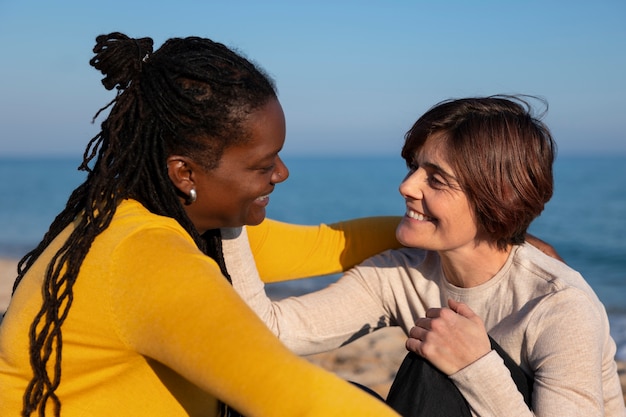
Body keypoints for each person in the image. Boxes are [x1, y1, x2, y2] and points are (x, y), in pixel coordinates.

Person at [0, 32, 406, 417]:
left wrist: (445, 231)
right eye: (263, 165)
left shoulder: (146, 218)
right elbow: (292, 397)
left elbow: (324, 245)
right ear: (185, 173)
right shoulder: (149, 259)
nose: (281, 173)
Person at [221, 96, 626, 416]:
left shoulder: (558, 305)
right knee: (320, 398)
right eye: (414, 167)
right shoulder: (401, 274)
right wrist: (231, 209)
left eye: (436, 179)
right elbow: (270, 333)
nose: (407, 186)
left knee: (434, 363)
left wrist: (476, 365)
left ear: (495, 198)